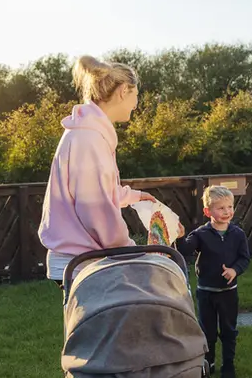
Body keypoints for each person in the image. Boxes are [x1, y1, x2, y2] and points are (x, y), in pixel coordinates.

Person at [38, 55, 174, 284]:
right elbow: (95, 208)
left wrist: (134, 196)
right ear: (123, 91)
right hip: (84, 262)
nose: (136, 104)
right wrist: (131, 251)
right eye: (136, 95)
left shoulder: (88, 133)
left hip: (83, 258)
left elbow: (97, 191)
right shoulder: (89, 139)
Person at [176, 186, 251, 378]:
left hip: (228, 293)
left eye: (229, 207)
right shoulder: (201, 234)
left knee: (228, 330)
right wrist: (180, 236)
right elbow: (185, 249)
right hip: (206, 293)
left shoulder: (237, 234)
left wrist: (234, 270)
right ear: (208, 212)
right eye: (221, 208)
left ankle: (228, 365)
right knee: (207, 332)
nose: (227, 212)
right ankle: (208, 364)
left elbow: (244, 259)